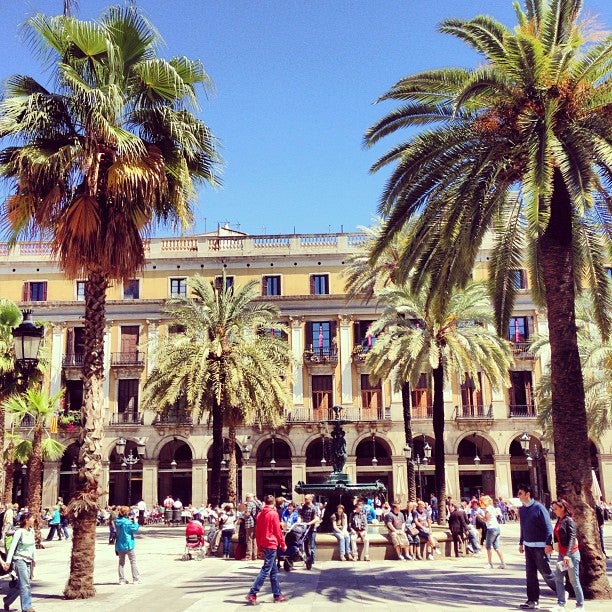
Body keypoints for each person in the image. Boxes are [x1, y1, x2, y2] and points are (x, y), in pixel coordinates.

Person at [517, 484, 556, 610]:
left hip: (540, 546)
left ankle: (563, 592)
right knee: (530, 574)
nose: (518, 496)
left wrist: (549, 544)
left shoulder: (539, 508)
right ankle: (532, 600)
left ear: (527, 494)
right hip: (528, 546)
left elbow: (548, 527)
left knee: (546, 573)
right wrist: (521, 542)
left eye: (520, 493)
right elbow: (522, 527)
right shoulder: (522, 510)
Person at [246, 495, 286, 604]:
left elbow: (257, 532)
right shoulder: (274, 514)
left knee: (273, 571)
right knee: (266, 570)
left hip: (264, 543)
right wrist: (282, 543)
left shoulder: (260, 515)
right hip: (271, 544)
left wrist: (259, 547)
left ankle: (277, 595)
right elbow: (278, 531)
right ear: (273, 503)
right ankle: (252, 593)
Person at [550, 499, 585, 611]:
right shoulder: (559, 520)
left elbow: (572, 538)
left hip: (571, 555)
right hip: (562, 554)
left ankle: (580, 605)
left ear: (562, 508)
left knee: (574, 580)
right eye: (553, 509)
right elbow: (556, 536)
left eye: (555, 509)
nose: (554, 511)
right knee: (558, 578)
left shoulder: (569, 521)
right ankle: (561, 604)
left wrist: (568, 555)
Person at [1, 512, 36, 612]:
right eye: (32, 518)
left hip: (29, 560)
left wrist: (34, 559)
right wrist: (8, 562)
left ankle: (7, 600)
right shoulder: (19, 532)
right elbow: (12, 548)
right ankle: (27, 607)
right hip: (19, 560)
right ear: (26, 520)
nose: (34, 520)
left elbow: (33, 547)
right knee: (25, 585)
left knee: (21, 585)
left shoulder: (32, 531)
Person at [115, 505, 141, 585]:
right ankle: (135, 579)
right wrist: (136, 522)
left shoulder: (117, 521)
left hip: (119, 544)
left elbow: (122, 524)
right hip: (129, 544)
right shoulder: (128, 522)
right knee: (133, 561)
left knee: (121, 563)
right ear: (126, 513)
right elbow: (135, 529)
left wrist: (128, 520)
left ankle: (121, 580)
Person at [481, 495, 506, 569]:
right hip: (497, 528)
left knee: (488, 546)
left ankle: (490, 563)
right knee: (497, 546)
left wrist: (478, 516)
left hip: (491, 528)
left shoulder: (488, 509)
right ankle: (503, 563)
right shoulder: (492, 508)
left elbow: (486, 519)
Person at [297, 494, 320, 564]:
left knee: (312, 545)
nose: (305, 500)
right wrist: (299, 521)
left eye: (306, 499)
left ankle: (312, 559)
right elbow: (300, 516)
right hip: (304, 528)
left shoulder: (314, 508)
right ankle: (308, 557)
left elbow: (316, 518)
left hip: (312, 529)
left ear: (311, 499)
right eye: (305, 499)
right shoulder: (303, 507)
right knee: (305, 544)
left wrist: (309, 523)